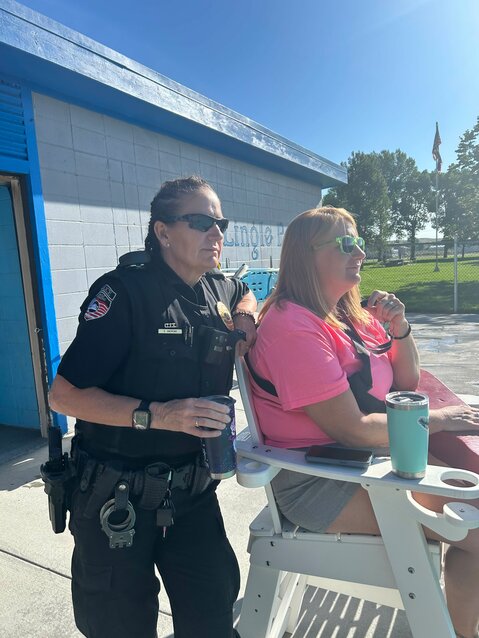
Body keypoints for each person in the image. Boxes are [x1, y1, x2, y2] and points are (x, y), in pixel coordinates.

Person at [247, 206, 479, 638]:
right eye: (346, 243)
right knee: (476, 524)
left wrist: (400, 328)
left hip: (372, 462)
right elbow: (351, 429)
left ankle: (459, 627)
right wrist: (443, 419)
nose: (361, 253)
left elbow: (407, 380)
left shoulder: (348, 313)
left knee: (474, 518)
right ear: (305, 255)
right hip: (324, 480)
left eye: (360, 241)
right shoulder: (293, 328)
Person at [49, 176, 257, 638]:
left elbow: (245, 289)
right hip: (116, 499)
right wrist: (157, 415)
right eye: (201, 221)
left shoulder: (218, 289)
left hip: (194, 493)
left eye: (220, 222)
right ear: (163, 231)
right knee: (119, 627)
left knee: (213, 618)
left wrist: (246, 315)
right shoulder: (123, 293)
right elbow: (62, 395)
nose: (216, 234)